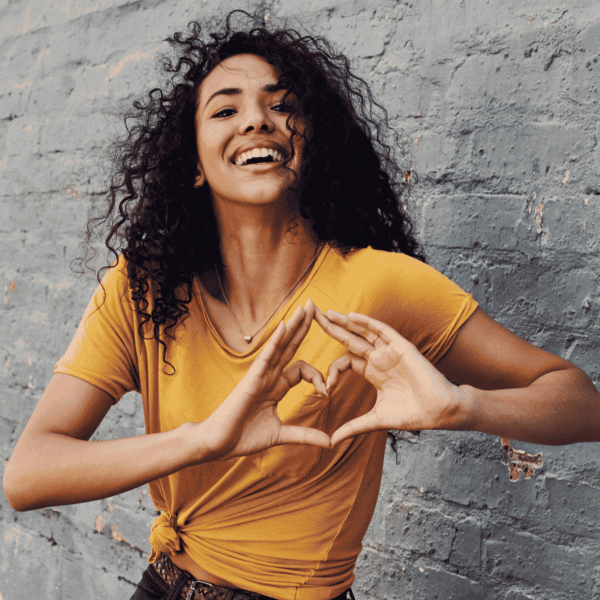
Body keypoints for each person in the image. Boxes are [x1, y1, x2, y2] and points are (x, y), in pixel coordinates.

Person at [3, 11, 600, 600]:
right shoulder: (145, 288)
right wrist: (205, 438)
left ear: (311, 143)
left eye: (282, 104)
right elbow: (28, 475)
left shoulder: (381, 285)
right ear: (192, 162)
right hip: (160, 584)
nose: (258, 120)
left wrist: (464, 407)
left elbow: (580, 403)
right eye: (226, 109)